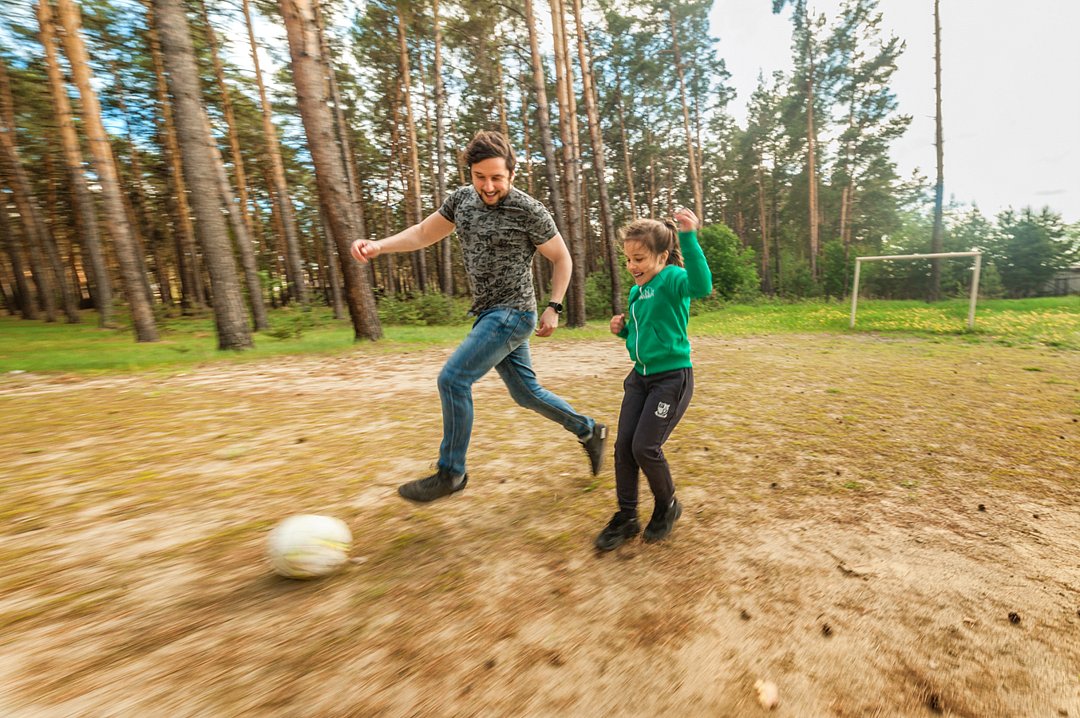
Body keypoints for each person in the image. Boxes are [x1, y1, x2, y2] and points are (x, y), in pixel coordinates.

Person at [350, 130, 606, 502]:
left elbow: (562, 258)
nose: (487, 186)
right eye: (479, 176)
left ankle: (451, 472)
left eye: (496, 178)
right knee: (526, 394)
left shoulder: (528, 209)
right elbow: (422, 233)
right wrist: (378, 246)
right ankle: (589, 430)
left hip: (513, 313)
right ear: (470, 173)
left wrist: (555, 306)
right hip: (488, 313)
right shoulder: (461, 201)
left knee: (453, 380)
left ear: (511, 174)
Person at [594, 207, 713, 550]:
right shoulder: (636, 292)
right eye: (628, 259)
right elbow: (641, 332)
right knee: (624, 447)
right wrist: (622, 331)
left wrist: (689, 237)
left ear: (661, 256)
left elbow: (702, 286)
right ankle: (627, 517)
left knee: (645, 447)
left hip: (671, 379)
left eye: (639, 259)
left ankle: (667, 505)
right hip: (640, 378)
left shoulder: (672, 278)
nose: (632, 266)